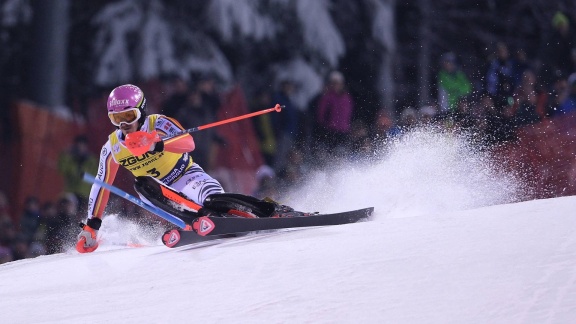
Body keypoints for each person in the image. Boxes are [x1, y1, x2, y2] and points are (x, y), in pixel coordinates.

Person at [76, 84, 293, 253]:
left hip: (187, 177)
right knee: (141, 185)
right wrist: (92, 226)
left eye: (128, 116)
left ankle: (269, 210)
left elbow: (189, 143)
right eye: (116, 118)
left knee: (212, 201)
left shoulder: (157, 123)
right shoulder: (112, 147)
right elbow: (101, 184)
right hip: (163, 194)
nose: (124, 124)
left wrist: (157, 144)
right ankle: (195, 222)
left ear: (140, 112)